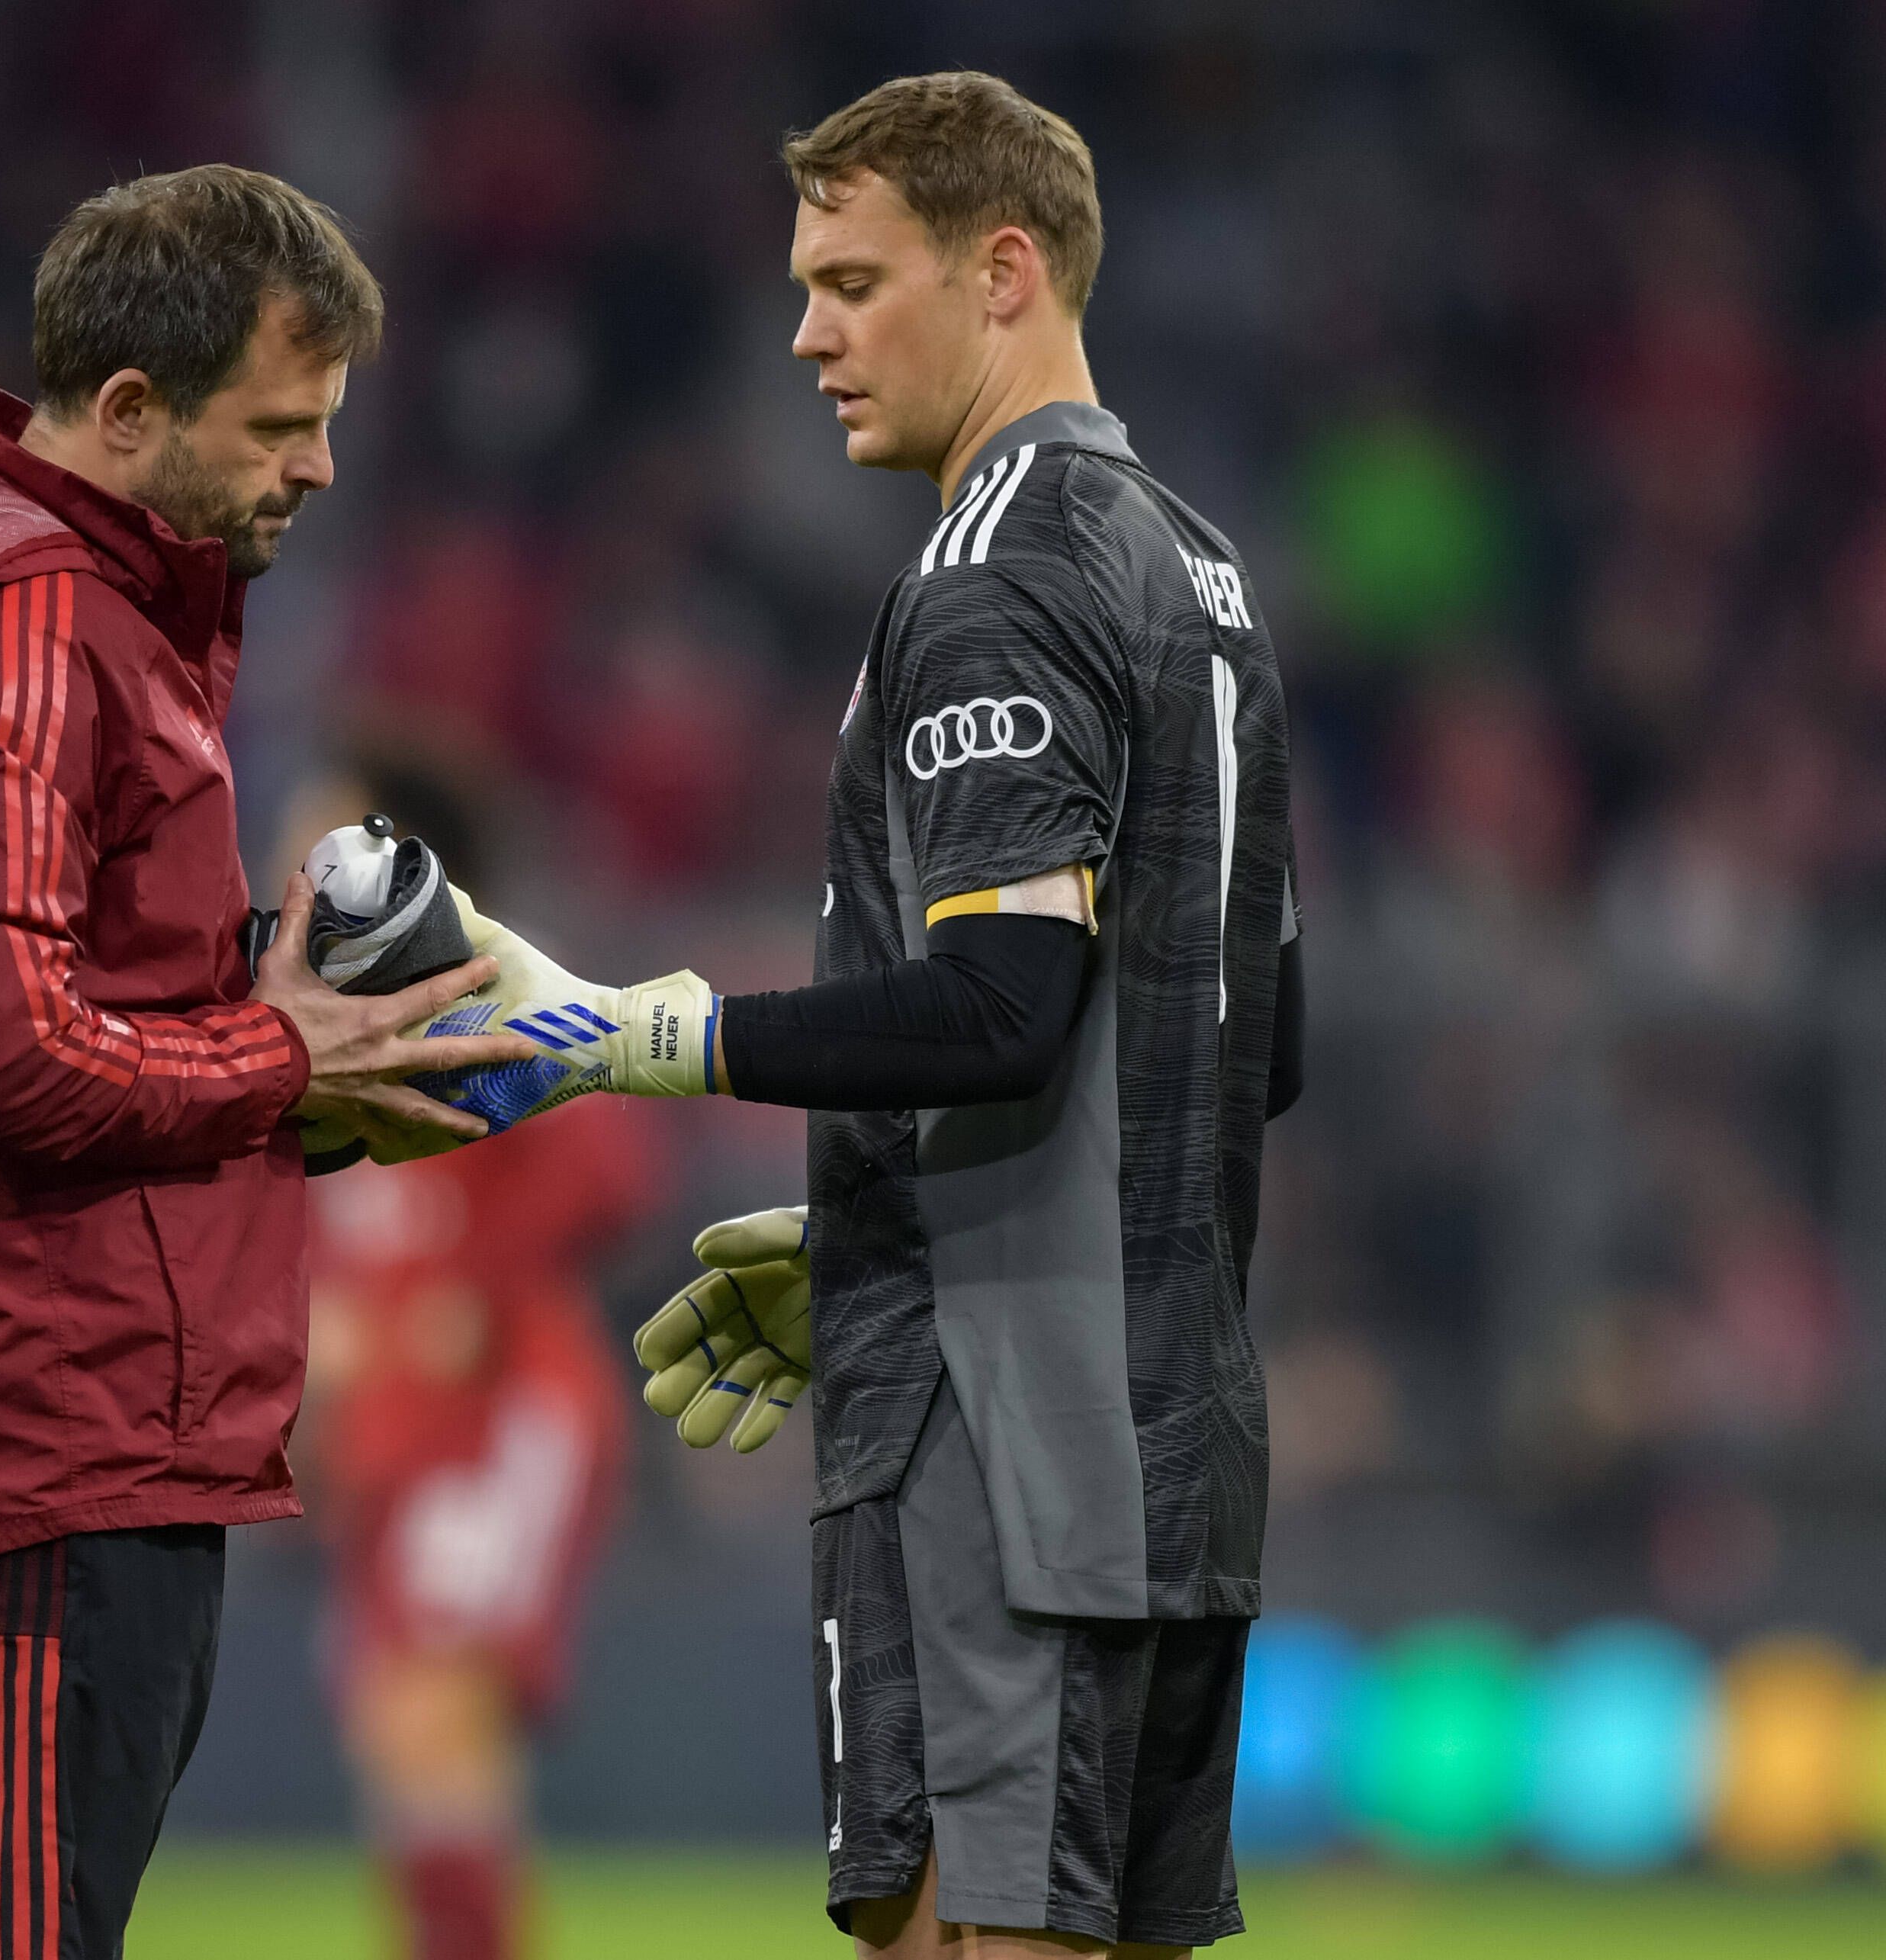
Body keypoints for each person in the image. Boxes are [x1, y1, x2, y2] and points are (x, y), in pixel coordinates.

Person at [406, 73, 1306, 1958]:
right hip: (1169, 1436)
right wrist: (871, 1227)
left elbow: (999, 1002)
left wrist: (636, 1034)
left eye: (845, 278)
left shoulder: (996, 578)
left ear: (1000, 272)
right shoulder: (1194, 569)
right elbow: (1246, 1045)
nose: (803, 331)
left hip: (1009, 1452)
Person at [0, 167, 534, 1960]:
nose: (320, 467)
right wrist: (282, 1052)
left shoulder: (53, 611)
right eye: (282, 424)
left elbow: (58, 1023)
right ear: (128, 412)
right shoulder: (35, 628)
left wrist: (302, 1087)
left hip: (8, 1426)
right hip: (29, 1437)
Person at [285, 757, 655, 1960]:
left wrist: (455, 1294)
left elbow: (606, 1173)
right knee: (405, 1743)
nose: (295, 859)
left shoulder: (475, 985)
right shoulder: (304, 1011)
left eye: (320, 835)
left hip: (501, 1411)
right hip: (396, 1427)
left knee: (432, 1716)